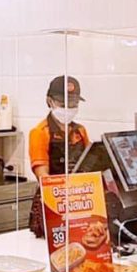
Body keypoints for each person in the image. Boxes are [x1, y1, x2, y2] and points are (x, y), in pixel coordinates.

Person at [27, 75, 91, 238]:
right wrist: (62, 196)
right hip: (52, 203)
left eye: (74, 104)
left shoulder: (80, 131)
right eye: (64, 104)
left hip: (80, 200)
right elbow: (43, 176)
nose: (69, 108)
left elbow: (91, 164)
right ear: (50, 101)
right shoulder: (40, 133)